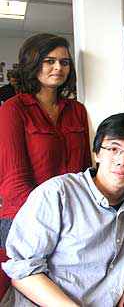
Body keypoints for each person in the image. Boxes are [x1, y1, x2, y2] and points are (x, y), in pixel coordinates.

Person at [1, 113, 124, 306]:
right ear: (97, 153)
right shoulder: (56, 194)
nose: (122, 160)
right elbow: (22, 273)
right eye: (113, 149)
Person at [0, 33, 91, 298]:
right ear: (32, 63)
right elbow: (13, 180)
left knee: (67, 292)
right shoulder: (13, 109)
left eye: (64, 62)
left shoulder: (77, 111)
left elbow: (85, 170)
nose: (58, 68)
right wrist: (49, 222)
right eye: (49, 61)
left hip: (72, 221)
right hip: (24, 220)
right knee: (27, 295)